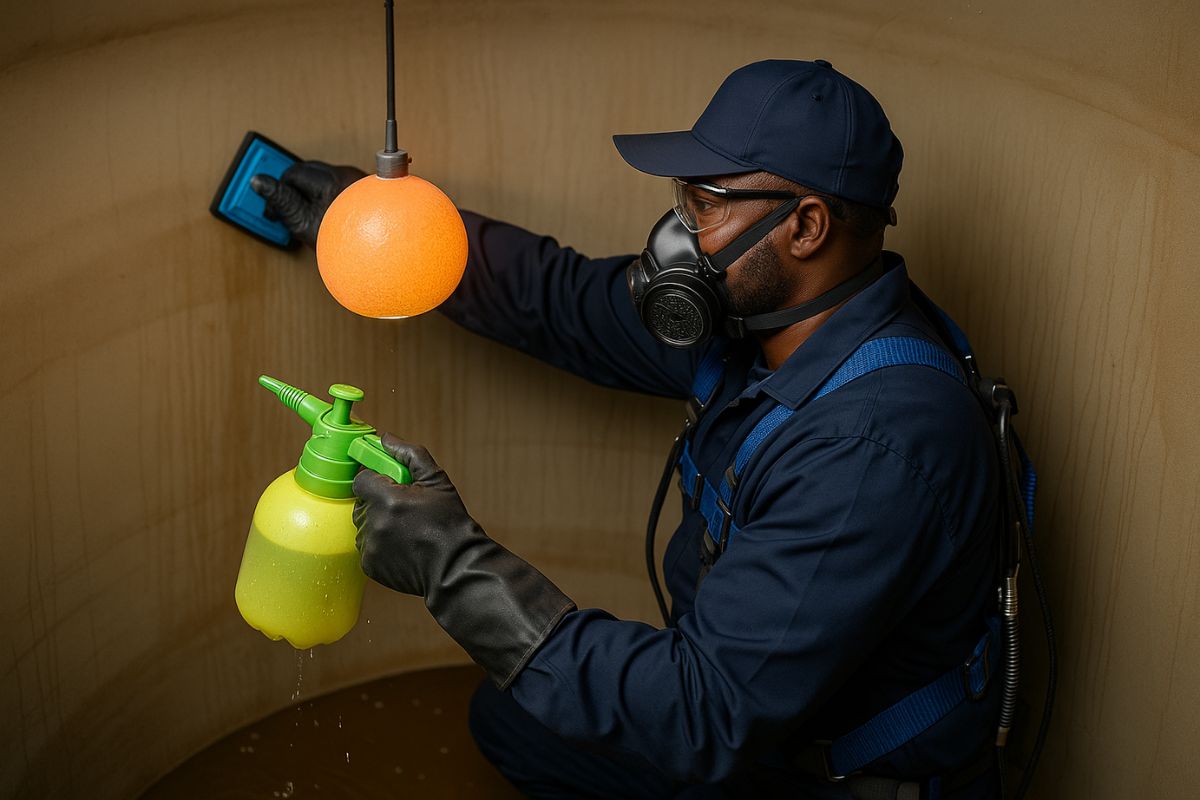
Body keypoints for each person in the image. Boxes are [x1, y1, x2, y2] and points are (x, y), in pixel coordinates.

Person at [255, 59, 1005, 799]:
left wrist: (451, 564)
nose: (678, 230)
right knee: (513, 719)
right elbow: (564, 301)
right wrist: (365, 218)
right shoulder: (762, 322)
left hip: (797, 760)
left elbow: (703, 714)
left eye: (704, 203)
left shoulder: (874, 447)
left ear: (805, 227)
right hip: (744, 712)